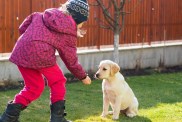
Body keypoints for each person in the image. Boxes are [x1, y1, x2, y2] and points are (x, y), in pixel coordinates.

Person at [0, 0, 91, 122]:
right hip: (41, 54)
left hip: (22, 51)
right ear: (78, 19)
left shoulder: (41, 15)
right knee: (58, 81)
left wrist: (29, 41)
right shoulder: (69, 30)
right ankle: (57, 118)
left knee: (35, 87)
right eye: (83, 23)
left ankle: (8, 117)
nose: (81, 26)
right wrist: (83, 76)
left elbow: (22, 27)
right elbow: (70, 60)